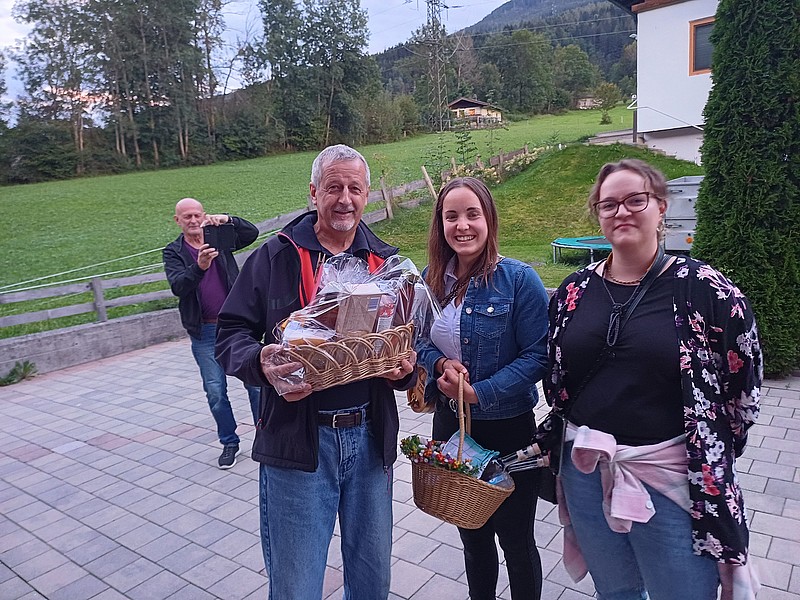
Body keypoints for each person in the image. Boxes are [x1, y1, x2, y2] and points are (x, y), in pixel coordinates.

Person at [545, 159, 762, 599]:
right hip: (586, 472)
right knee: (616, 591)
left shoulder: (705, 289)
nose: (621, 211)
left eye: (635, 200)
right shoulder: (573, 291)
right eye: (609, 204)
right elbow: (555, 376)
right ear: (598, 214)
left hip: (671, 482)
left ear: (661, 206)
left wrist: (713, 449)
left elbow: (744, 386)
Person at [214, 144, 415, 600]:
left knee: (373, 582)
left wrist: (404, 372)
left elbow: (403, 344)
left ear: (366, 196)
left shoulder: (386, 264)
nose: (345, 199)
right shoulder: (276, 257)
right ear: (313, 192)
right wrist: (260, 362)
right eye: (333, 187)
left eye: (355, 189)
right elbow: (230, 333)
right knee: (297, 585)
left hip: (370, 441)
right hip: (299, 443)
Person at [416, 177, 550, 600]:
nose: (462, 225)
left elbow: (539, 355)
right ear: (440, 224)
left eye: (472, 214)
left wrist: (482, 392)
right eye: (451, 216)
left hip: (509, 430)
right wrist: (439, 363)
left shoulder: (519, 280)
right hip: (452, 429)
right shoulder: (431, 280)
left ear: (488, 218)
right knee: (472, 538)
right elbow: (417, 338)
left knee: (516, 541)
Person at [163, 198, 261, 469]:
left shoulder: (219, 239)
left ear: (203, 215)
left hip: (236, 325)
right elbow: (178, 286)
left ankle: (265, 435)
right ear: (178, 221)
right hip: (204, 330)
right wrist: (200, 267)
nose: (193, 221)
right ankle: (229, 442)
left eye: (197, 215)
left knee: (256, 384)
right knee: (216, 391)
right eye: (187, 217)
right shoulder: (173, 252)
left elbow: (251, 233)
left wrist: (228, 219)